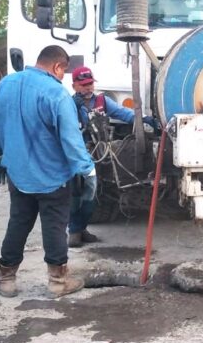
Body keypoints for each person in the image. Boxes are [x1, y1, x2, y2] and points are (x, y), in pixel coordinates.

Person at [0, 45, 96, 299]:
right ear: (58, 67)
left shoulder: (5, 84)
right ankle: (57, 282)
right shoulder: (57, 94)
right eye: (63, 72)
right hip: (53, 176)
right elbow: (71, 139)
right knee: (55, 226)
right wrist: (87, 170)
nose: (62, 77)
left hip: (18, 172)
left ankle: (6, 279)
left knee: (19, 222)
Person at [67, 66, 158, 247]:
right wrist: (72, 109)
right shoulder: (68, 104)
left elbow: (123, 114)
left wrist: (144, 119)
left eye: (90, 84)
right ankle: (74, 231)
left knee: (94, 194)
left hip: (100, 153)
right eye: (83, 85)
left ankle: (81, 228)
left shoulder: (102, 101)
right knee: (76, 193)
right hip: (77, 155)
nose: (88, 88)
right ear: (74, 85)